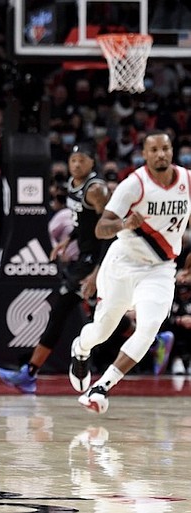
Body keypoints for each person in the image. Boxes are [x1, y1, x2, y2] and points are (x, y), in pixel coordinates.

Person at [69, 131, 191, 413]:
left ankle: (101, 387)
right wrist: (124, 224)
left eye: (165, 148)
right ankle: (81, 349)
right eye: (154, 150)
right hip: (122, 263)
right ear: (145, 155)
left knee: (149, 327)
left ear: (171, 151)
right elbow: (102, 228)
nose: (160, 154)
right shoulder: (133, 185)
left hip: (160, 268)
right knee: (101, 330)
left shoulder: (186, 180)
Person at [0, 143, 110, 393]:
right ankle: (29, 374)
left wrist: (98, 271)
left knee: (62, 313)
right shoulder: (72, 185)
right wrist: (67, 241)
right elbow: (84, 224)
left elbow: (109, 233)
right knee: (91, 313)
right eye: (73, 160)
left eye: (82, 160)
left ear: (92, 162)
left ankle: (30, 374)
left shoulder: (97, 190)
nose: (76, 164)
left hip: (99, 259)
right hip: (85, 258)